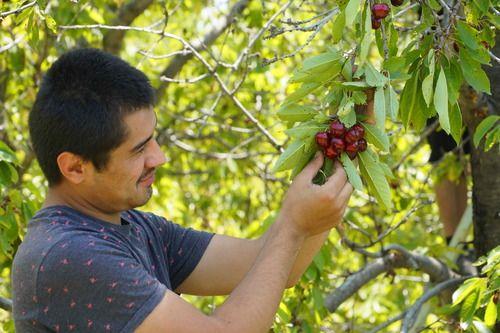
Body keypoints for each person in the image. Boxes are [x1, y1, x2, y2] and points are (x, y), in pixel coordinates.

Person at [11, 48, 353, 332]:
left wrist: (346, 147)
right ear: (74, 167)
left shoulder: (134, 226)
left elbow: (274, 265)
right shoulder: (66, 255)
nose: (158, 157)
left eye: (153, 138)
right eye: (138, 149)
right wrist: (294, 226)